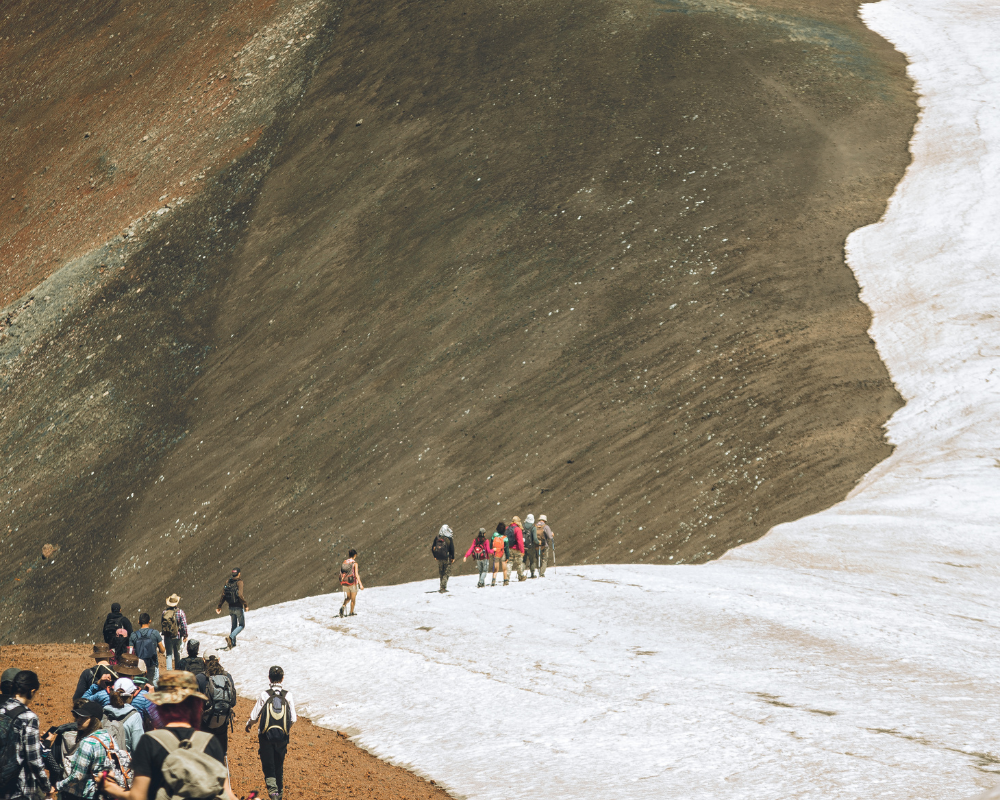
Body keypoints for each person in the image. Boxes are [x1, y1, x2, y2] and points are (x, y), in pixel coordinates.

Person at [98, 671, 237, 800]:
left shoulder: (150, 742)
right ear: (195, 706)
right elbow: (227, 794)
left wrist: (110, 787)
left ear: (161, 706)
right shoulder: (210, 742)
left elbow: (137, 796)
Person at [245, 666, 296, 800]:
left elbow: (254, 717)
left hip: (265, 737)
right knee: (279, 766)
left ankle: (273, 794)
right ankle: (279, 795)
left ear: (269, 678)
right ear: (282, 678)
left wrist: (248, 725)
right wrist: (284, 728)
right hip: (282, 738)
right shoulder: (288, 695)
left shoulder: (265, 694)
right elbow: (293, 719)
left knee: (269, 766)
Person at [0, 670, 51, 800]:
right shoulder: (28, 717)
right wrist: (46, 786)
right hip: (18, 789)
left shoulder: (2, 709)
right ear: (32, 691)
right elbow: (33, 759)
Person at [202, 655, 236, 755]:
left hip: (205, 721)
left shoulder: (201, 678)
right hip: (223, 720)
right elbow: (233, 702)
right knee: (221, 750)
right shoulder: (227, 677)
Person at [103, 685, 145, 754]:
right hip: (124, 762)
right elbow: (137, 748)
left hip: (105, 759)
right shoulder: (135, 716)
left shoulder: (104, 712)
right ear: (131, 696)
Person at [215, 568, 249, 649]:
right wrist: (245, 604)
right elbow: (240, 595)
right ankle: (231, 637)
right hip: (238, 606)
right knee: (241, 625)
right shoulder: (239, 582)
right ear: (239, 574)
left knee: (233, 625)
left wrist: (219, 606)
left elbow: (223, 595)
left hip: (230, 607)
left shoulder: (228, 582)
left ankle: (232, 643)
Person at [129, 614, 165, 686]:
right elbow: (162, 650)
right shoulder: (155, 633)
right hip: (152, 663)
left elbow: (130, 653)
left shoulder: (133, 635)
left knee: (139, 685)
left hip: (139, 665)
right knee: (153, 685)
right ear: (150, 621)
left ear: (139, 622)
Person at [160, 595, 188, 671]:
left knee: (169, 654)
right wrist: (185, 635)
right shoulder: (180, 612)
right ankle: (177, 670)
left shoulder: (164, 612)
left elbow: (162, 624)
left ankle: (169, 671)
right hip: (177, 636)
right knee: (177, 654)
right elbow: (184, 625)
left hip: (168, 636)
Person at [338, 549, 364, 617]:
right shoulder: (354, 563)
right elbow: (356, 574)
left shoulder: (345, 562)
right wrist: (360, 584)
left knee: (348, 597)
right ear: (355, 555)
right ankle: (351, 612)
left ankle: (343, 606)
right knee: (353, 598)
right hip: (353, 583)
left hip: (345, 582)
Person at [431, 524, 455, 593]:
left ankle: (441, 586)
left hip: (439, 558)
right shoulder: (449, 538)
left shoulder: (437, 538)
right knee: (446, 573)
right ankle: (443, 588)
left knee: (441, 572)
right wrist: (452, 557)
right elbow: (452, 549)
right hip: (447, 558)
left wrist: (435, 556)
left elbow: (433, 548)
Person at [507, 516, 526, 582]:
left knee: (509, 563)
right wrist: (522, 551)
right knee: (519, 563)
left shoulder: (507, 528)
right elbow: (519, 541)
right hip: (517, 549)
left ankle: (506, 577)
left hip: (509, 548)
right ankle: (521, 576)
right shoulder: (518, 529)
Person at [522, 513, 540, 578]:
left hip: (523, 546)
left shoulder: (522, 526)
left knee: (523, 560)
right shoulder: (533, 527)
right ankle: (532, 573)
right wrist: (538, 542)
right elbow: (535, 539)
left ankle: (521, 573)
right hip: (531, 547)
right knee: (532, 560)